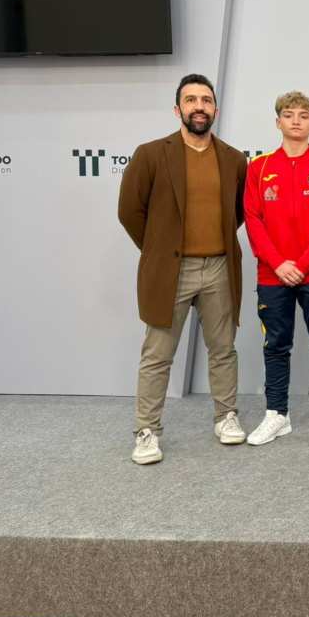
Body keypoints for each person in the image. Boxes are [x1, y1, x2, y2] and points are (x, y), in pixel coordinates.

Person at [118, 73, 248, 464]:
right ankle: (147, 431)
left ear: (215, 110)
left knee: (223, 350)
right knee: (157, 355)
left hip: (219, 268)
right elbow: (129, 211)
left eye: (206, 100)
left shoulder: (233, 159)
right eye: (191, 100)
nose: (199, 107)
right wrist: (159, 250)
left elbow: (238, 212)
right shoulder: (151, 154)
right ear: (178, 109)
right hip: (171, 271)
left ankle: (226, 416)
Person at [243, 91, 309, 447]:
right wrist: (278, 263)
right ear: (278, 122)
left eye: (303, 115)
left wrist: (302, 264)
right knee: (275, 345)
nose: (296, 120)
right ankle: (277, 415)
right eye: (289, 115)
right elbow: (253, 219)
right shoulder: (258, 168)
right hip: (273, 275)